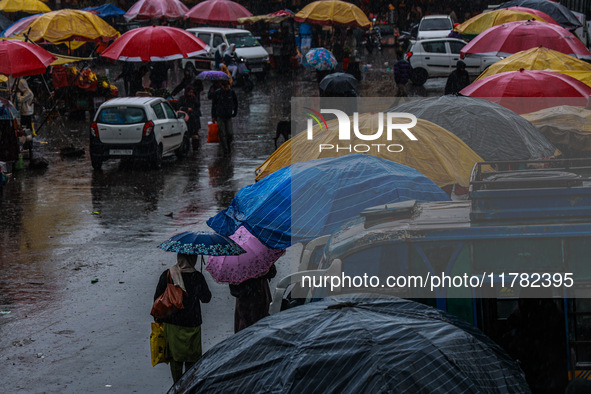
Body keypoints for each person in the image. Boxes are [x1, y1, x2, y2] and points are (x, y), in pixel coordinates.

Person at [153, 253, 211, 384]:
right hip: (192, 323)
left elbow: (157, 298)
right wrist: (199, 281)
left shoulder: (168, 275)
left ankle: (177, 386)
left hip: (172, 323)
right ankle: (189, 385)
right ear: (193, 259)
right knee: (192, 358)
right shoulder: (197, 277)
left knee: (175, 358)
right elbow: (206, 298)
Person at [229, 264, 276, 333]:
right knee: (261, 329)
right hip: (259, 296)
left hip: (246, 300)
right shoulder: (260, 257)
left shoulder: (235, 262)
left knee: (245, 331)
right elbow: (272, 273)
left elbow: (234, 290)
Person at [211, 80, 238, 155]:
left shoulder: (231, 92)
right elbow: (213, 105)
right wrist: (213, 116)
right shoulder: (217, 93)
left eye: (228, 87)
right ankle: (225, 150)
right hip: (220, 116)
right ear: (222, 86)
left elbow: (236, 103)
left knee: (230, 133)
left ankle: (228, 145)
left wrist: (235, 112)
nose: (227, 88)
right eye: (225, 87)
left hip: (228, 116)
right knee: (222, 133)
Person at [177, 85, 202, 150]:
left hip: (194, 120)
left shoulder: (194, 99)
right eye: (189, 92)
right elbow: (179, 108)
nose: (191, 94)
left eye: (192, 92)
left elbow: (197, 108)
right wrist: (187, 109)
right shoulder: (182, 99)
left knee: (195, 135)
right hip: (186, 120)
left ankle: (195, 148)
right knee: (187, 135)